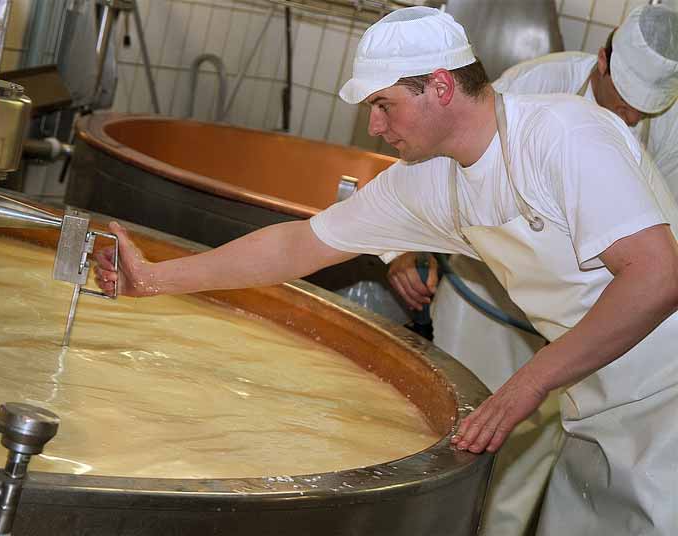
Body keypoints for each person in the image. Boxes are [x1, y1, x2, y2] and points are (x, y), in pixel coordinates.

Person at [95, 7, 678, 535]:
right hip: (597, 397)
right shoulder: (426, 182)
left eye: (382, 104)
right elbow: (295, 247)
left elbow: (656, 277)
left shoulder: (562, 134)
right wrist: (154, 279)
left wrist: (528, 383)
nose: (374, 126)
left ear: (440, 87)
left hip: (669, 396)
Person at [383, 6, 678, 534]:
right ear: (604, 59)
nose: (631, 119)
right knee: (454, 433)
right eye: (624, 102)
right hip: (490, 305)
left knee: (528, 462)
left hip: (591, 328)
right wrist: (402, 246)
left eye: (643, 110)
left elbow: (656, 255)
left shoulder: (672, 130)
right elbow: (450, 160)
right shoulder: (539, 83)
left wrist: (551, 366)